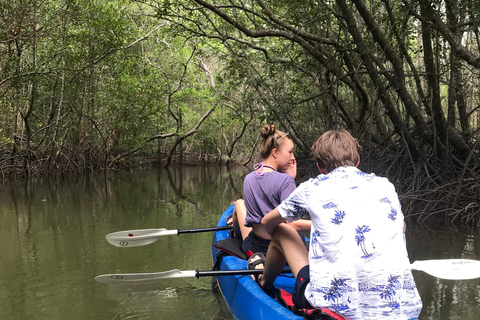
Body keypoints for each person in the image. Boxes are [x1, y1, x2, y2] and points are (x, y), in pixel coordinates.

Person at [258, 130, 422, 320]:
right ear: (358, 160)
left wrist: (310, 226)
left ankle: (264, 282)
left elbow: (267, 223)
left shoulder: (311, 188)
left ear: (320, 167)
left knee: (281, 230)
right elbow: (401, 227)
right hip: (404, 312)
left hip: (333, 311)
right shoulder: (385, 185)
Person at [230, 124, 310, 258]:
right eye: (290, 151)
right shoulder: (285, 181)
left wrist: (290, 178)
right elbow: (291, 223)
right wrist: (320, 223)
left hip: (255, 245)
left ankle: (235, 235)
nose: (293, 157)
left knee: (239, 203)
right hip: (281, 248)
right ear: (275, 153)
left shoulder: (249, 178)